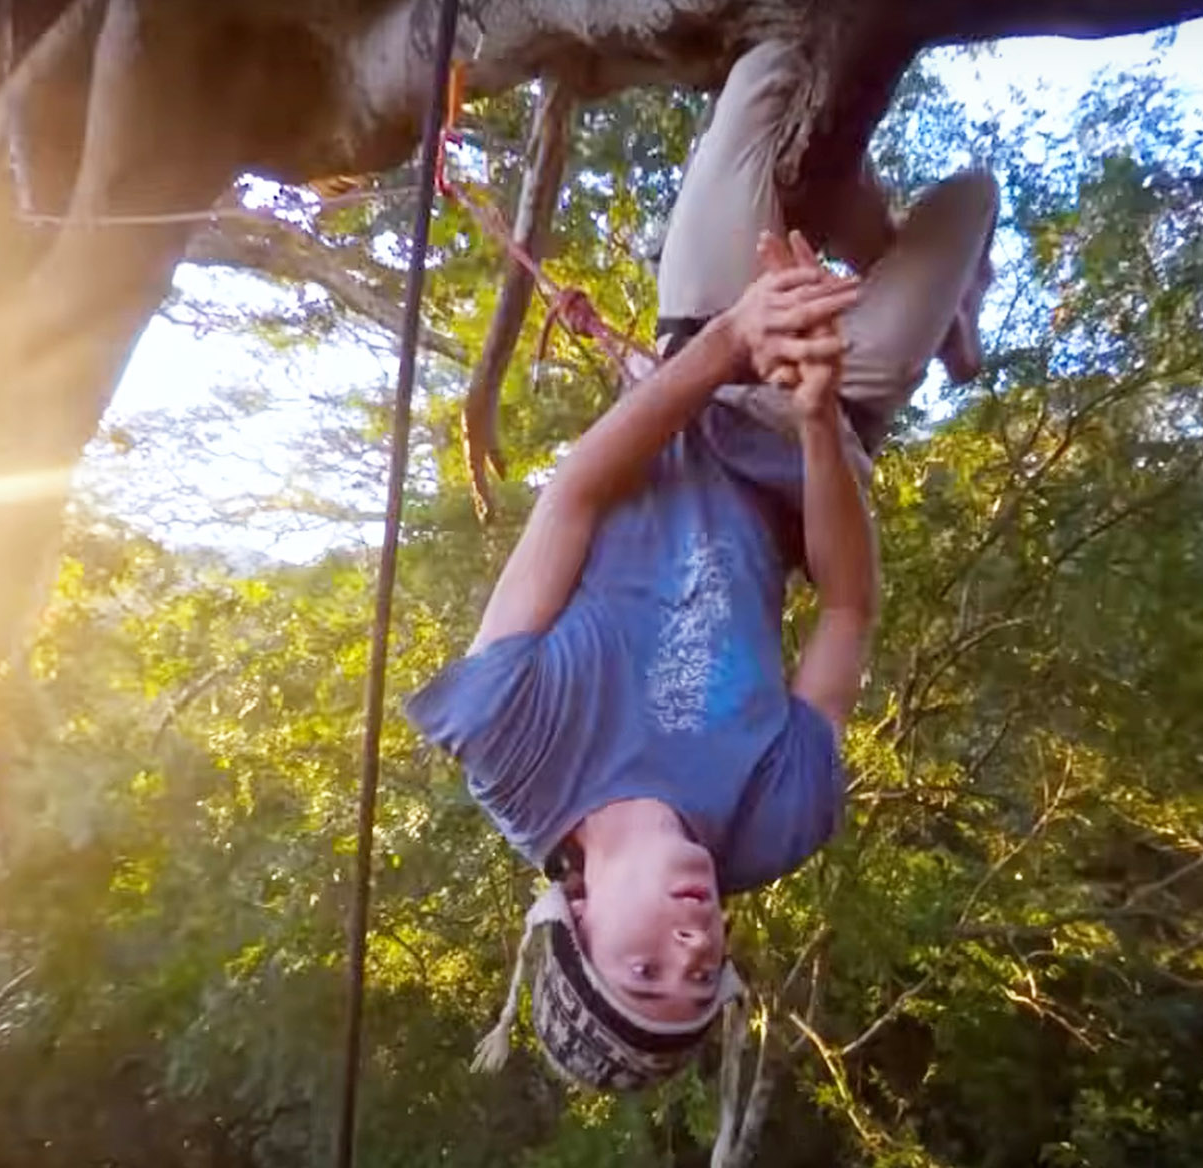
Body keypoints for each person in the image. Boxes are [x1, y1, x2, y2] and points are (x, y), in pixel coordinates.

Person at [405, 38, 997, 1098]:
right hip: (827, 410)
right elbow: (849, 609)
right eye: (702, 975)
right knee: (969, 200)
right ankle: (927, 289)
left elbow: (575, 492)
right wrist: (817, 418)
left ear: (574, 920)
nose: (690, 947)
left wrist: (731, 340)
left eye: (643, 968)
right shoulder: (773, 824)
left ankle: (867, 260)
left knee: (771, 66)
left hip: (707, 343)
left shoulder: (511, 746)